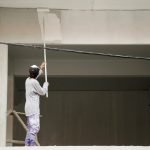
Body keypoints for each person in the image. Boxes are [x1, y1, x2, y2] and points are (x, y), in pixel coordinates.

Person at [25, 62, 49, 146]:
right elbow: (42, 92)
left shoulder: (28, 80)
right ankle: (31, 145)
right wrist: (45, 85)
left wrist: (41, 67)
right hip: (33, 108)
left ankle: (27, 145)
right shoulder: (34, 82)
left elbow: (35, 76)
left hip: (28, 108)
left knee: (30, 128)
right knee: (34, 127)